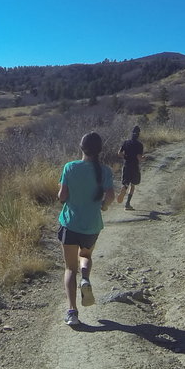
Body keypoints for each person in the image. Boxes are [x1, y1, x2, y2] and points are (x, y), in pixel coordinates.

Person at [57, 131, 115, 326]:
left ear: (81, 147)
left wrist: (65, 198)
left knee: (69, 268)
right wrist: (104, 207)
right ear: (100, 150)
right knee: (86, 256)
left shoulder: (70, 167)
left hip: (70, 223)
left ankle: (72, 312)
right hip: (91, 225)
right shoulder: (105, 171)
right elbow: (109, 198)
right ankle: (86, 279)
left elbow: (62, 196)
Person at [116, 125, 144, 210]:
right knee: (133, 184)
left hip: (126, 165)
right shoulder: (139, 145)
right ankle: (127, 204)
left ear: (132, 133)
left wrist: (125, 156)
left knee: (126, 183)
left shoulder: (126, 142)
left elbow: (119, 153)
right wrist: (144, 159)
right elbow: (139, 157)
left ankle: (123, 188)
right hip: (134, 166)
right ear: (138, 134)